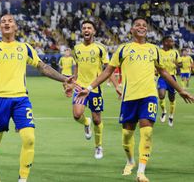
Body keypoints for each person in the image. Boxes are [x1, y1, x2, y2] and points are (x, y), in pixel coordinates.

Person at [74, 17, 194, 182]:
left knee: (147, 132)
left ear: (147, 30)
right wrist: (88, 88)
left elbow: (164, 72)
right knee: (127, 136)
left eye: (144, 25)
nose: (141, 27)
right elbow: (107, 72)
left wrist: (181, 90)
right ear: (131, 29)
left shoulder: (153, 49)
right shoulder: (123, 49)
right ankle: (130, 161)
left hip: (148, 96)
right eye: (138, 25)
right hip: (129, 98)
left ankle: (141, 172)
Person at [0, 14, 73, 182]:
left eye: (10, 21)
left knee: (29, 139)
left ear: (16, 27)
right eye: (3, 21)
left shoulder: (25, 47)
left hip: (21, 99)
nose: (6, 23)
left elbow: (42, 67)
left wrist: (64, 78)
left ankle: (23, 179)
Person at [72, 20, 120, 159]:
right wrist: (74, 81)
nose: (86, 30)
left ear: (93, 31)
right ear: (82, 31)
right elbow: (77, 65)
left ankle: (98, 146)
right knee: (77, 115)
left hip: (95, 88)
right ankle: (86, 123)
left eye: (89, 28)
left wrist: (117, 86)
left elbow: (108, 69)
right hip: (80, 86)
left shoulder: (101, 48)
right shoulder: (77, 48)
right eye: (84, 28)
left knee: (97, 120)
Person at [157, 36, 182, 127]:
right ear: (165, 42)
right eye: (170, 41)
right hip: (162, 77)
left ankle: (171, 116)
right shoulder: (159, 52)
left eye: (172, 41)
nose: (172, 43)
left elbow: (180, 63)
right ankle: (164, 112)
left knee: (171, 98)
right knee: (161, 95)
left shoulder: (175, 52)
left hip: (172, 77)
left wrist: (177, 64)